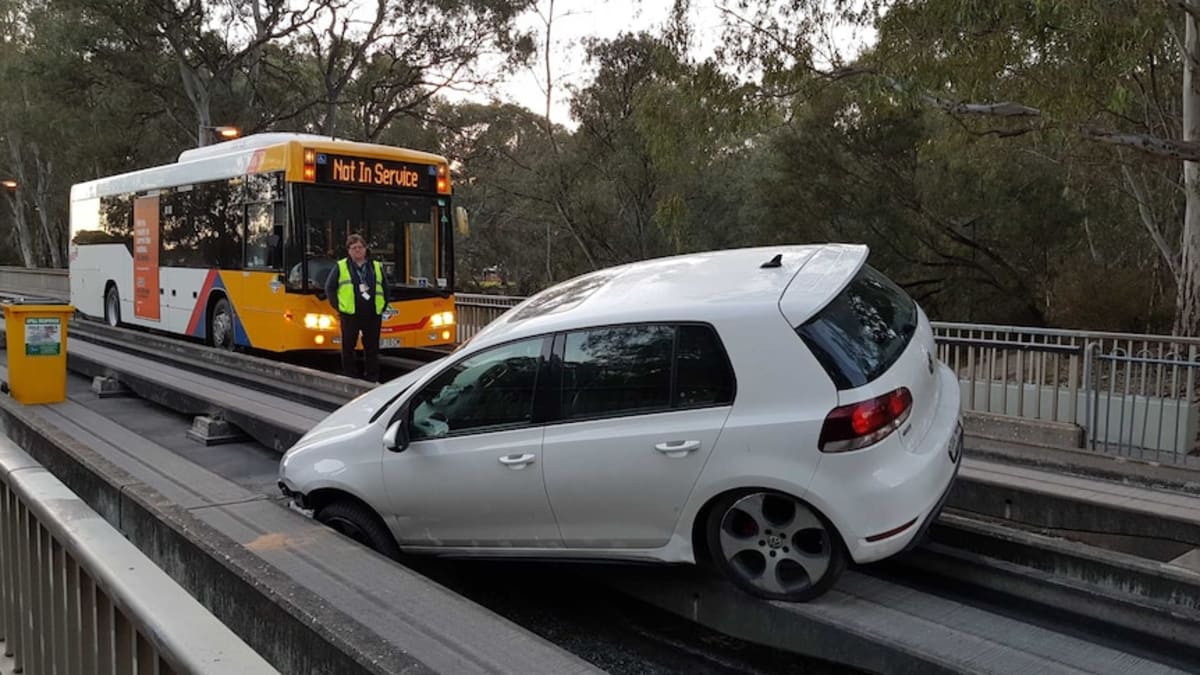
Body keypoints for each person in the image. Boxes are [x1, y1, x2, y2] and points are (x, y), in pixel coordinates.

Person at [324, 234, 391, 382]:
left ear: (365, 249)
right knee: (348, 347)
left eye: (360, 247)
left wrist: (383, 305)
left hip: (372, 313)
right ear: (349, 251)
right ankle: (350, 376)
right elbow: (330, 288)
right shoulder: (341, 266)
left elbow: (386, 289)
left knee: (372, 348)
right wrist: (339, 307)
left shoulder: (376, 267)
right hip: (350, 313)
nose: (357, 251)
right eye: (354, 248)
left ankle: (372, 377)